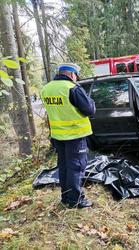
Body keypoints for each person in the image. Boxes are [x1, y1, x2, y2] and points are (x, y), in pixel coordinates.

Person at [41, 63, 95, 208]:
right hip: (74, 135)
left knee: (64, 167)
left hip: (58, 136)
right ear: (72, 74)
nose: (76, 79)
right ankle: (75, 200)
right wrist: (91, 101)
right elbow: (89, 110)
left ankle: (66, 197)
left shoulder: (46, 89)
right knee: (76, 168)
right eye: (76, 76)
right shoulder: (72, 88)